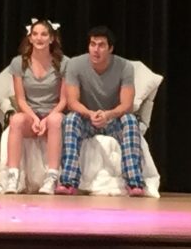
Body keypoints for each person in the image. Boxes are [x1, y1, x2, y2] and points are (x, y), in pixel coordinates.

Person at [57, 25, 146, 197]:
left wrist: (108, 115)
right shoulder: (75, 64)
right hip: (87, 118)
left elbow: (127, 104)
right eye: (92, 44)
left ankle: (135, 182)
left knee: (130, 120)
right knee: (70, 120)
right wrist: (90, 114)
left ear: (110, 48)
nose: (95, 49)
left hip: (113, 119)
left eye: (101, 45)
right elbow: (72, 102)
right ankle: (68, 181)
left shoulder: (125, 67)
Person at [3, 18, 68, 194]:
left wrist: (46, 119)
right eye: (35, 34)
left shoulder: (63, 63)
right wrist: (33, 118)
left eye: (44, 34)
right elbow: (21, 99)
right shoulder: (19, 62)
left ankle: (51, 177)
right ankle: (13, 177)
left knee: (55, 121)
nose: (39, 38)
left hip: (52, 113)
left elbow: (63, 100)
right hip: (30, 113)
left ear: (52, 38)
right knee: (16, 120)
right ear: (30, 38)